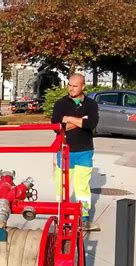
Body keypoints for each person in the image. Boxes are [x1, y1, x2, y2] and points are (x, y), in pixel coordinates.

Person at [51, 73, 99, 231]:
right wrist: (79, 120)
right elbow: (57, 128)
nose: (71, 89)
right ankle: (61, 214)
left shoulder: (91, 104)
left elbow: (91, 123)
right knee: (61, 186)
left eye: (75, 86)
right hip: (65, 151)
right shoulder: (60, 104)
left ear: (83, 86)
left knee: (82, 187)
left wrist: (68, 119)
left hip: (85, 151)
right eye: (69, 85)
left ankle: (84, 217)